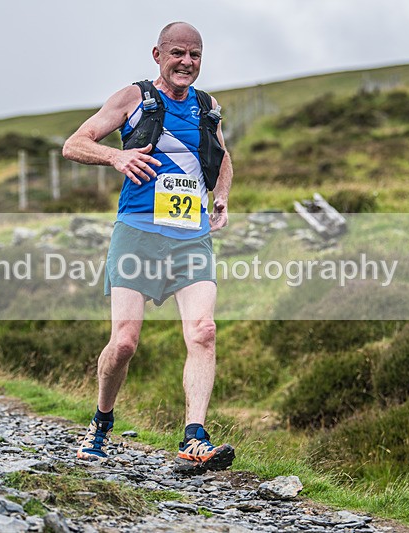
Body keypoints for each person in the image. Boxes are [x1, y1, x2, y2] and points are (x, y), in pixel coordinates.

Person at [62, 21, 234, 472]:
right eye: (177, 53)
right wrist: (116, 156)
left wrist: (221, 196)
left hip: (190, 235)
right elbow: (74, 144)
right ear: (157, 55)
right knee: (124, 342)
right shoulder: (133, 98)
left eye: (195, 55)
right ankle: (101, 422)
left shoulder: (207, 106)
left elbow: (222, 157)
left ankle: (194, 436)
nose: (187, 63)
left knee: (204, 331)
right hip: (138, 233)